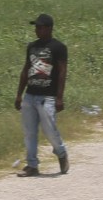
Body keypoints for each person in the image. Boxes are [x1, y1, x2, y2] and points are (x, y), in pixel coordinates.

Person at [15, 12, 70, 176]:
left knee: (49, 130)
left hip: (48, 96)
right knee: (29, 131)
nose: (37, 30)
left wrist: (59, 97)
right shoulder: (32, 46)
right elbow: (26, 70)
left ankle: (61, 153)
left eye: (40, 27)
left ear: (49, 28)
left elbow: (62, 73)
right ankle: (32, 165)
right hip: (30, 95)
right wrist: (19, 94)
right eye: (36, 27)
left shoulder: (58, 47)